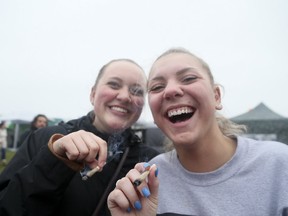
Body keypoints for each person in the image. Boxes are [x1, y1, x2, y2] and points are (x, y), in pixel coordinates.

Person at [107, 48, 288, 216]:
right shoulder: (149, 179)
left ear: (216, 96)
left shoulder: (279, 164)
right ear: (154, 114)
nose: (170, 90)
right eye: (156, 87)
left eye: (188, 78)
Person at [0, 58, 159, 216]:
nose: (125, 96)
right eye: (114, 85)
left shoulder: (150, 162)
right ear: (93, 94)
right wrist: (53, 161)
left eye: (136, 91)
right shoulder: (47, 138)